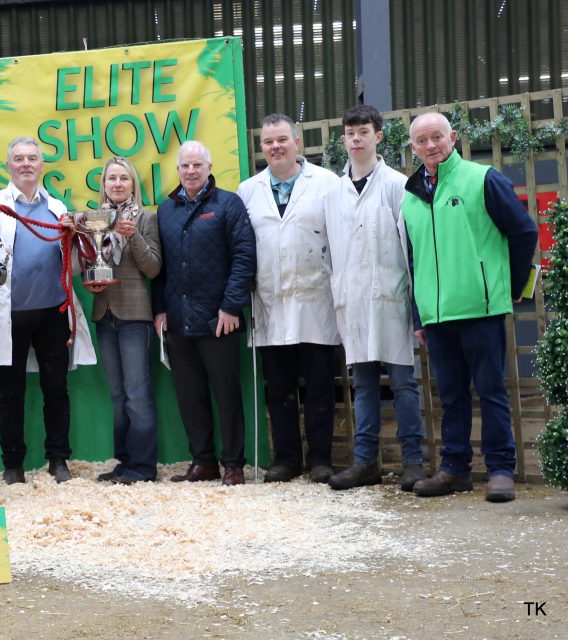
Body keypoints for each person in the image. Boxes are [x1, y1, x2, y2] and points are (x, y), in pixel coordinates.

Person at [402, 112, 538, 503]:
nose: (431, 146)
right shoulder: (410, 197)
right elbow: (416, 262)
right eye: (422, 141)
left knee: (492, 390)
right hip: (436, 315)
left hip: (480, 309)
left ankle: (500, 470)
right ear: (413, 147)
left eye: (437, 137)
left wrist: (509, 287)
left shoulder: (483, 179)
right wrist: (419, 315)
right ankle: (454, 468)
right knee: (452, 395)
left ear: (453, 137)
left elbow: (524, 231)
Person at [0, 136, 96, 485]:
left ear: (41, 165)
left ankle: (58, 460)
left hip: (53, 313)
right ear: (8, 166)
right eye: (19, 159)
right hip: (9, 316)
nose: (26, 164)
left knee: (56, 388)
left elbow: (70, 266)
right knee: (10, 393)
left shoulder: (57, 208)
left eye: (32, 158)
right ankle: (13, 466)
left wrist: (77, 233)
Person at [323, 105, 426, 492]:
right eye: (349, 133)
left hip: (391, 299)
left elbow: (413, 251)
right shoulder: (335, 192)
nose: (355, 139)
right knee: (363, 385)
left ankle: (413, 461)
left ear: (378, 136)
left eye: (363, 132)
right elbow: (331, 250)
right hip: (352, 302)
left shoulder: (397, 186)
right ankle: (365, 462)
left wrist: (418, 314)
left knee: (403, 383)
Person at [238, 113, 341, 484]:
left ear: (297, 142)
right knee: (278, 389)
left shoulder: (327, 184)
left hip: (316, 299)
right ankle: (285, 459)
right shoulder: (247, 190)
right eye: (268, 142)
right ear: (261, 147)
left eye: (282, 139)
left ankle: (320, 460)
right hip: (269, 302)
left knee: (318, 388)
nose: (276, 147)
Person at [152, 140, 256, 486]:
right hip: (178, 320)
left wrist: (231, 306)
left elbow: (244, 257)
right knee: (189, 395)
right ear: (178, 170)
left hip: (219, 320)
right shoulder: (165, 210)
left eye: (198, 165)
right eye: (185, 166)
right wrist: (160, 309)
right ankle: (203, 462)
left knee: (226, 393)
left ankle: (233, 464)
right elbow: (160, 265)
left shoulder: (229, 204)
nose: (191, 171)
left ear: (210, 167)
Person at [84, 156, 163, 485]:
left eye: (124, 179)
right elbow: (89, 262)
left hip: (135, 317)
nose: (117, 184)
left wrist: (133, 238)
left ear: (133, 185)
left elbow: (153, 268)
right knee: (118, 397)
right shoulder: (93, 220)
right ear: (103, 184)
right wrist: (93, 282)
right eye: (111, 179)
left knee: (137, 394)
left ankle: (143, 467)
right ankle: (124, 463)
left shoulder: (146, 218)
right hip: (105, 315)